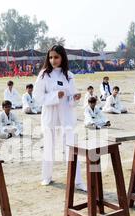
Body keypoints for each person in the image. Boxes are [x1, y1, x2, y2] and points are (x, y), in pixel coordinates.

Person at [33, 45, 86, 191]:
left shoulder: (68, 75)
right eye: (50, 57)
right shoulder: (44, 74)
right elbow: (38, 97)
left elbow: (71, 98)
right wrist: (55, 96)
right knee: (49, 145)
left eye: (56, 57)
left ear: (62, 57)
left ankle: (78, 180)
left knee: (72, 146)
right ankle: (47, 176)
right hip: (50, 114)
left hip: (66, 114)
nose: (53, 60)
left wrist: (74, 98)